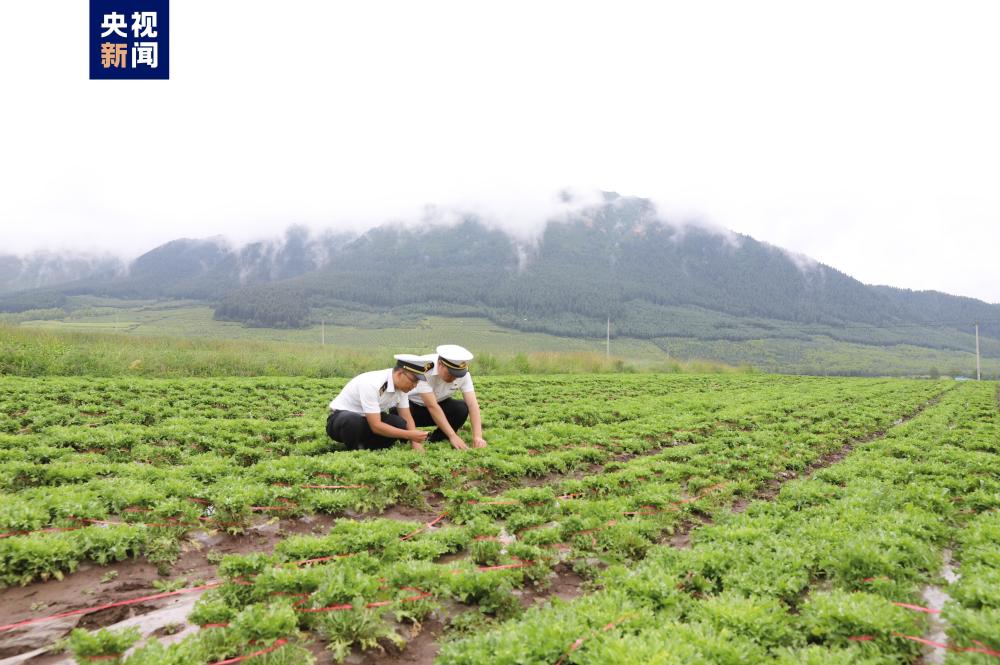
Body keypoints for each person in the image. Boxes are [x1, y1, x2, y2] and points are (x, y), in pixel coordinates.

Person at [326, 354, 434, 452]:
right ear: (400, 374)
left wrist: (415, 442)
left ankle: (369, 448)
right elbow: (376, 426)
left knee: (400, 423)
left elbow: (406, 416)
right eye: (413, 380)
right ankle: (356, 450)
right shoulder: (373, 383)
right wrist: (410, 435)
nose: (414, 385)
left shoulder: (402, 388)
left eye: (417, 382)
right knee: (352, 420)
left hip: (367, 421)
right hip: (341, 421)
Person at [394, 344, 487, 449]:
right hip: (411, 407)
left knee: (461, 408)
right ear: (440, 364)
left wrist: (478, 437)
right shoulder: (423, 368)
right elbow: (432, 406)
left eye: (457, 375)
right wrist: (453, 435)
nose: (454, 378)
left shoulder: (463, 374)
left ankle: (435, 438)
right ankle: (411, 436)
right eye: (450, 373)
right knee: (397, 416)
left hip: (439, 404)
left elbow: (472, 404)